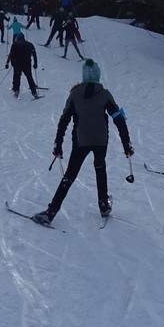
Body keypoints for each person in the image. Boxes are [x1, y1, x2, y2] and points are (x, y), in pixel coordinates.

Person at [33, 58, 132, 224]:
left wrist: (58, 144)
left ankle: (51, 212)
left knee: (70, 174)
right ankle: (103, 204)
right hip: (101, 139)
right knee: (100, 168)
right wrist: (126, 144)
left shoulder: (75, 95)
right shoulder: (105, 94)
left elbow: (63, 121)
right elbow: (119, 119)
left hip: (81, 140)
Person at [7, 32, 40, 98]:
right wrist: (35, 63)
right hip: (27, 64)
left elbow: (11, 54)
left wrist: (8, 62)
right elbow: (34, 54)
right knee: (29, 77)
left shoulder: (15, 44)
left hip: (17, 63)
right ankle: (34, 93)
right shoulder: (30, 44)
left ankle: (16, 90)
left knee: (17, 77)